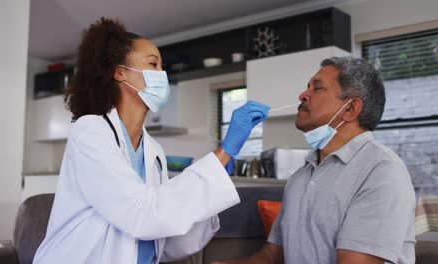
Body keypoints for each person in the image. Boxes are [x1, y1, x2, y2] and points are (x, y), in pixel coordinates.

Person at [33, 18, 270, 263]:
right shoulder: (91, 132)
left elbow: (164, 238)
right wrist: (222, 155)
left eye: (161, 66)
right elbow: (142, 214)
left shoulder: (153, 151)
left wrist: (212, 182)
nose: (162, 75)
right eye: (153, 64)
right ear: (120, 72)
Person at [212, 57, 416, 264]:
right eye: (307, 87)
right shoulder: (301, 177)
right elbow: (272, 256)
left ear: (350, 109)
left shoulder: (382, 172)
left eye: (316, 89)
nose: (302, 95)